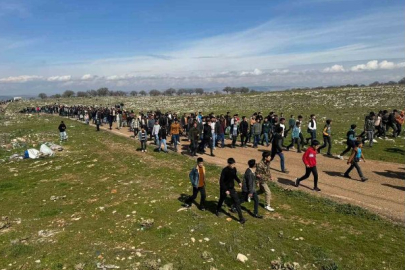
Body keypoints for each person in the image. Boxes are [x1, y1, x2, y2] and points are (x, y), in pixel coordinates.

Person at [216, 158, 246, 224]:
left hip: (231, 188)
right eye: (232, 164)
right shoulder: (225, 170)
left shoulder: (234, 169)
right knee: (222, 199)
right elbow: (221, 182)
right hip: (224, 188)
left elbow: (234, 176)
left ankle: (241, 218)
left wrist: (239, 182)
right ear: (229, 164)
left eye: (234, 164)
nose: (233, 165)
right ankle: (218, 210)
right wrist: (225, 190)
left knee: (237, 201)